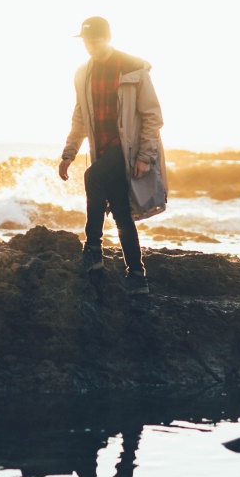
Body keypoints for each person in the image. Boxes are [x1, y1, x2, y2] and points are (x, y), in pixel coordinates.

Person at [58, 16, 166, 296]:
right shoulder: (83, 73)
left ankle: (93, 247)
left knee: (92, 177)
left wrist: (145, 155)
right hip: (102, 151)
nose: (90, 46)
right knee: (120, 211)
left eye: (94, 40)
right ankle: (137, 276)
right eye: (85, 42)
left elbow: (152, 116)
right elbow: (80, 116)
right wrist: (69, 152)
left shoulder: (133, 69)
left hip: (127, 150)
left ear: (107, 38)